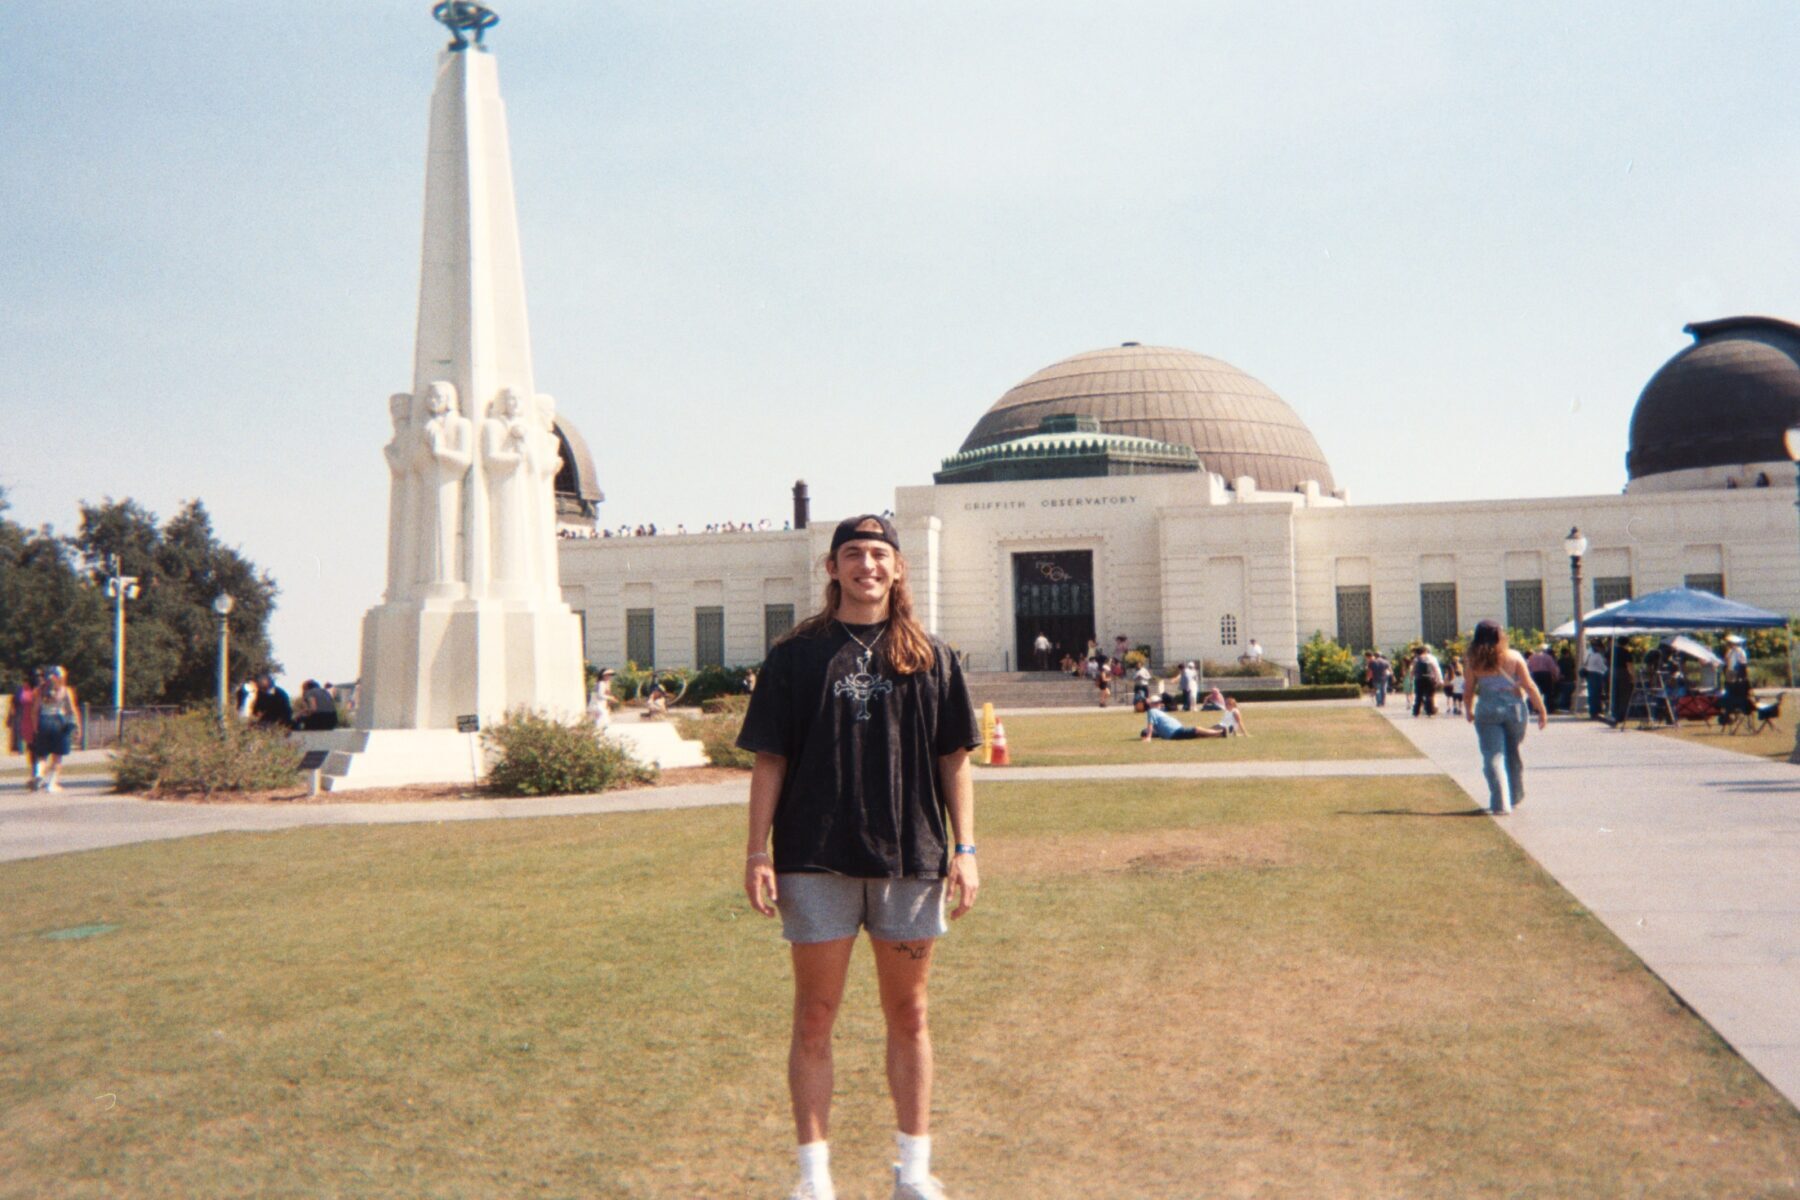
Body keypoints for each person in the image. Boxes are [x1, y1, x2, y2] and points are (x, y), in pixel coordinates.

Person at [737, 514, 980, 1200]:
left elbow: (954, 762)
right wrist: (758, 851)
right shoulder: (795, 656)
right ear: (832, 569)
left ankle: (913, 1172)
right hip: (815, 859)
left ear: (898, 568)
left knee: (910, 1015)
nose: (866, 565)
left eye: (878, 554)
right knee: (814, 1016)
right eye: (853, 554)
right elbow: (769, 760)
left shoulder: (932, 656)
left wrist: (965, 848)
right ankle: (813, 1179)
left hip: (911, 859)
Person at [1464, 620, 1547, 815]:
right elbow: (1529, 686)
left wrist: (1468, 709)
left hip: (1487, 708)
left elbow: (1468, 690)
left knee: (1493, 755)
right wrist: (1541, 710)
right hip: (1514, 709)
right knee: (1513, 752)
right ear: (1500, 636)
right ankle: (1515, 795)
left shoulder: (1473, 660)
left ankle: (1501, 803)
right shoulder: (1514, 656)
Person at [30, 668, 81, 793]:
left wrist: (35, 727)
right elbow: (72, 710)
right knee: (57, 756)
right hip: (59, 721)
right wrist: (78, 726)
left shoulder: (40, 691)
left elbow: (34, 711)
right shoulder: (65, 690)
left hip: (43, 721)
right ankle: (51, 785)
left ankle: (39, 773)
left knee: (42, 755)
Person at [1140, 694, 1228, 740]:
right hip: (1173, 733)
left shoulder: (1159, 711)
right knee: (1196, 729)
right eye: (1156, 703)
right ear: (1151, 704)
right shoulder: (1152, 711)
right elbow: (1150, 725)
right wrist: (1148, 737)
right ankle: (1220, 732)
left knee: (1197, 734)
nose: (1158, 704)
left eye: (1159, 702)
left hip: (1176, 730)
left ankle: (1216, 732)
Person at [12, 668, 42, 789]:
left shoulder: (43, 689)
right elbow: (15, 703)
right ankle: (35, 773)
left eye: (40, 675)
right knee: (32, 748)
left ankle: (39, 773)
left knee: (40, 748)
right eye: (36, 676)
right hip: (27, 722)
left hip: (41, 720)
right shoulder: (23, 689)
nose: (38, 678)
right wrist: (13, 719)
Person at [1526, 644, 1561, 714]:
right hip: (1545, 675)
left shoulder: (1532, 657)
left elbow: (1528, 667)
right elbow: (1553, 668)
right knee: (1548, 693)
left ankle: (1536, 708)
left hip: (1535, 675)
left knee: (1536, 691)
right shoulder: (1548, 657)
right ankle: (1549, 709)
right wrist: (1556, 676)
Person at [1411, 645, 1441, 717]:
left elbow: (1413, 670)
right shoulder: (1430, 659)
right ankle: (1430, 711)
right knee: (1429, 696)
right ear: (1425, 651)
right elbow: (1435, 669)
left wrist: (1411, 679)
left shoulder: (1416, 659)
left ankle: (1416, 712)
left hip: (1419, 679)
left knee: (1418, 696)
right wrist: (1438, 679)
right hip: (1429, 679)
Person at [1581, 640, 1609, 719]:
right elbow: (1602, 666)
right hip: (1597, 675)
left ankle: (1592, 711)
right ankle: (1596, 711)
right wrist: (1608, 670)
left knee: (1592, 694)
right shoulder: (1597, 655)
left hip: (1589, 674)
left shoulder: (1588, 654)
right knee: (1597, 694)